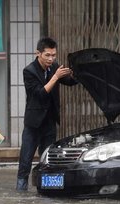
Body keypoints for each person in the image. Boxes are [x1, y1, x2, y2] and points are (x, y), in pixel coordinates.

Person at [16, 37, 77, 191]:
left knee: (48, 160)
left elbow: (69, 81)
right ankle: (20, 194)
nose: (51, 59)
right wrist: (56, 76)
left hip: (49, 122)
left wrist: (78, 74)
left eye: (53, 55)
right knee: (25, 161)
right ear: (38, 53)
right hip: (33, 123)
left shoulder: (54, 67)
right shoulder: (29, 71)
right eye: (47, 55)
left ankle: (46, 192)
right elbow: (40, 94)